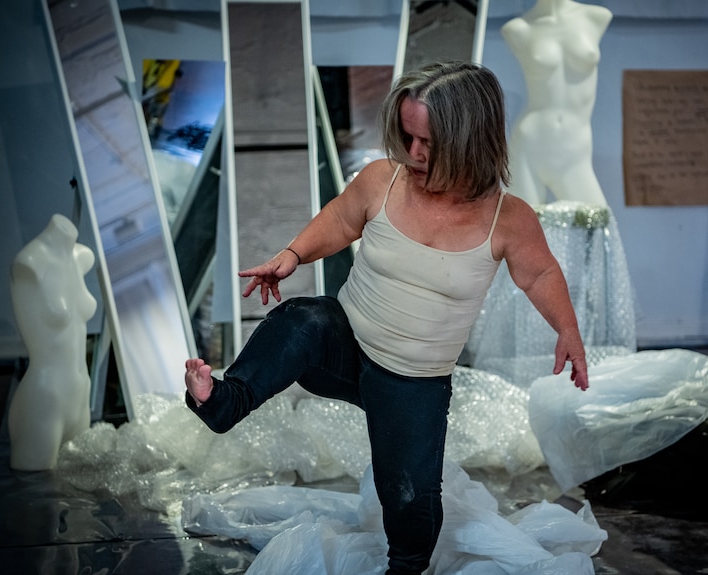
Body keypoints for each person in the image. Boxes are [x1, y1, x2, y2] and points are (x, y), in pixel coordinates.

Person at [185, 61, 588, 575]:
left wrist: (568, 332)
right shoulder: (384, 179)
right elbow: (340, 218)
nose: (414, 153)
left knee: (408, 497)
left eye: (429, 142)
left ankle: (407, 568)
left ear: (470, 140)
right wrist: (293, 255)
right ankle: (224, 402)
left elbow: (540, 276)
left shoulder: (508, 218)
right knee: (300, 319)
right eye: (407, 136)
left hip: (413, 382)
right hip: (346, 346)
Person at [502, 0, 612, 207]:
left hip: (574, 147)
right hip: (530, 143)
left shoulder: (596, 17)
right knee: (522, 234)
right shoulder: (518, 29)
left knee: (598, 228)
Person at [9, 214, 97, 470]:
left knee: (80, 495)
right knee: (36, 497)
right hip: (46, 396)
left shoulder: (80, 257)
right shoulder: (30, 262)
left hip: (81, 392)